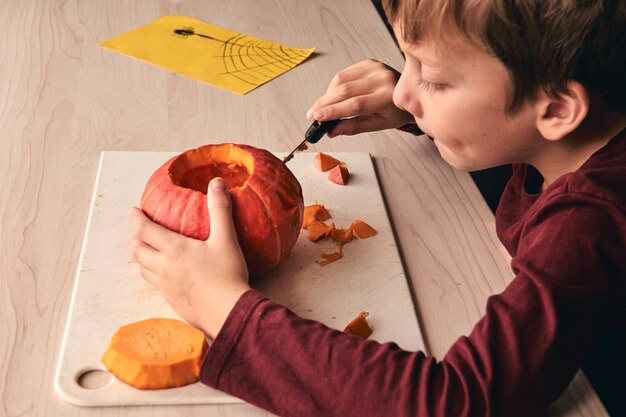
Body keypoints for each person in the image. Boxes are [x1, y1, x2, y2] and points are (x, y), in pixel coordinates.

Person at [129, 0, 626, 415]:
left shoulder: (591, 227)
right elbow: (509, 130)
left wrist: (222, 305)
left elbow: (456, 403)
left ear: (557, 109)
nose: (402, 89)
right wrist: (423, 114)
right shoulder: (580, 136)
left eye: (433, 77)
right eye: (405, 61)